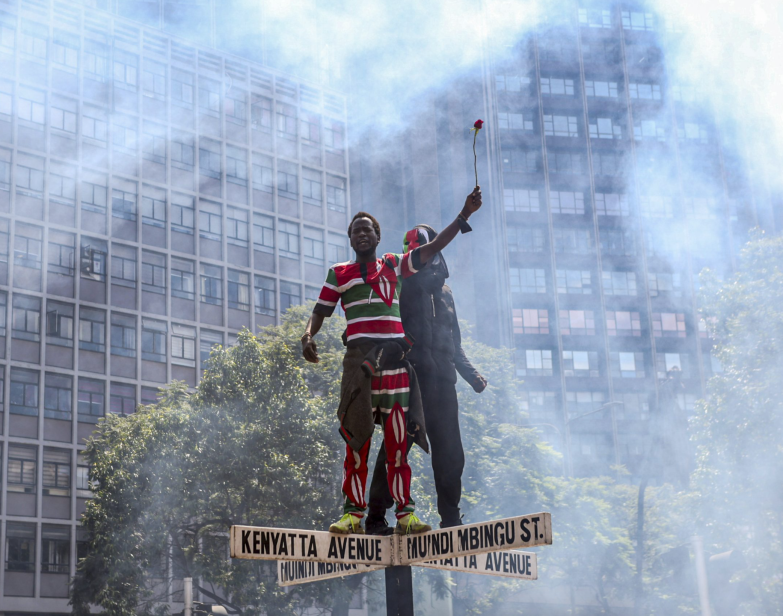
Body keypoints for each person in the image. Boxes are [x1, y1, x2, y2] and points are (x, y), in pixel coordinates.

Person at [301, 188, 482, 535]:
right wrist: (315, 336)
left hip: (421, 375)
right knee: (370, 443)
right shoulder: (362, 275)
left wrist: (464, 215)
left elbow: (432, 252)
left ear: (378, 236)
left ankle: (427, 517)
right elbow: (334, 312)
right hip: (382, 370)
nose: (362, 233)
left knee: (422, 447)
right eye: (356, 229)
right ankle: (362, 515)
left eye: (368, 229)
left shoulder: (417, 279)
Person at [365, 225, 487, 534]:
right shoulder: (399, 283)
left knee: (450, 453)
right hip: (409, 380)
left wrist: (471, 374)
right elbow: (383, 327)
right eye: (414, 250)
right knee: (396, 447)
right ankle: (376, 516)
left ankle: (451, 519)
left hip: (444, 382)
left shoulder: (446, 294)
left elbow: (453, 342)